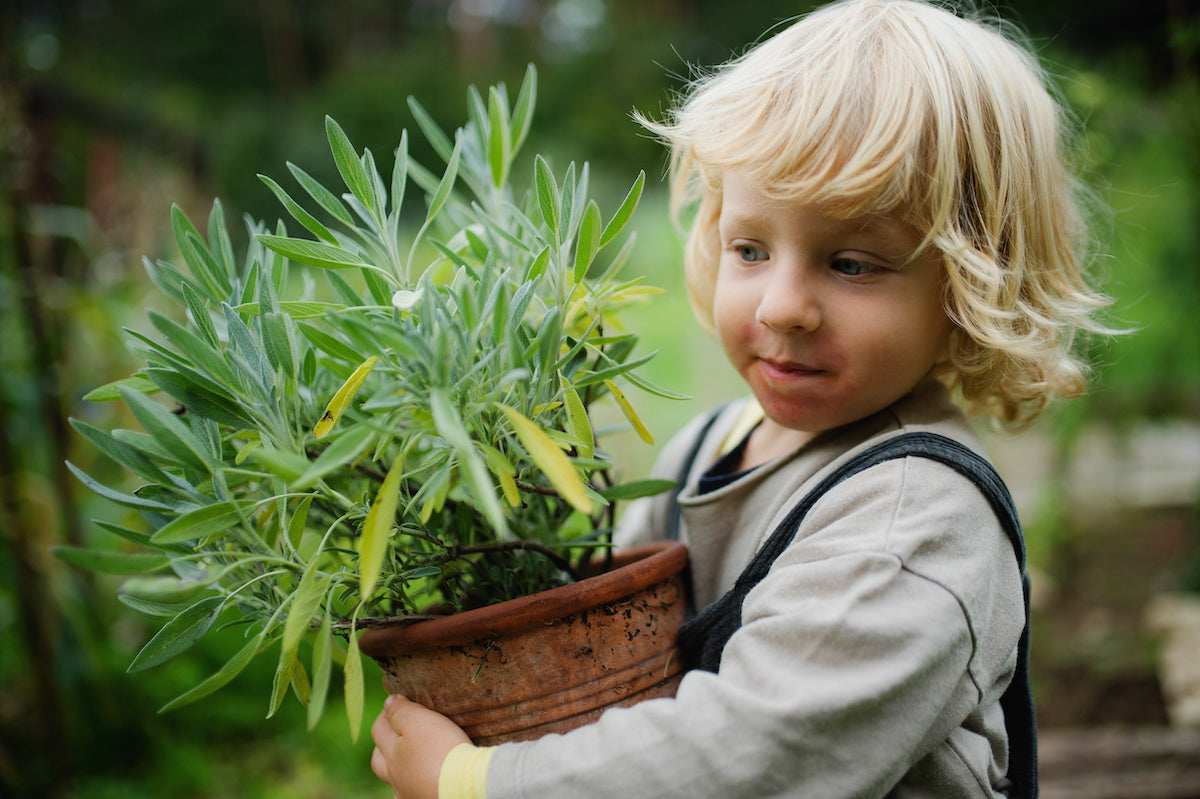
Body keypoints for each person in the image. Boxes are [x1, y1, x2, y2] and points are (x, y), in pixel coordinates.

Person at [370, 0, 1115, 796]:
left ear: (971, 283)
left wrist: (476, 779)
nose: (780, 306)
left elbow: (748, 756)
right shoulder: (708, 448)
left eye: (853, 262)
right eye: (751, 248)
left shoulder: (916, 518)